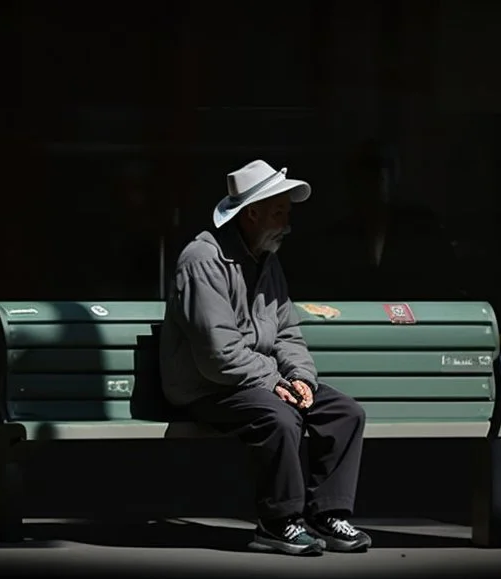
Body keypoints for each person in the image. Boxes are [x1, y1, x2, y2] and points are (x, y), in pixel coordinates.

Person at [159, 159, 372, 556]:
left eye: (287, 210)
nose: (288, 220)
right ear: (251, 213)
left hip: (258, 380)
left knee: (345, 413)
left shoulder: (267, 259)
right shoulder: (203, 259)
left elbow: (288, 332)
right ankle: (278, 522)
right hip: (208, 386)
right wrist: (274, 382)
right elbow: (217, 354)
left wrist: (302, 380)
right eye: (279, 211)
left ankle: (327, 514)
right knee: (278, 416)